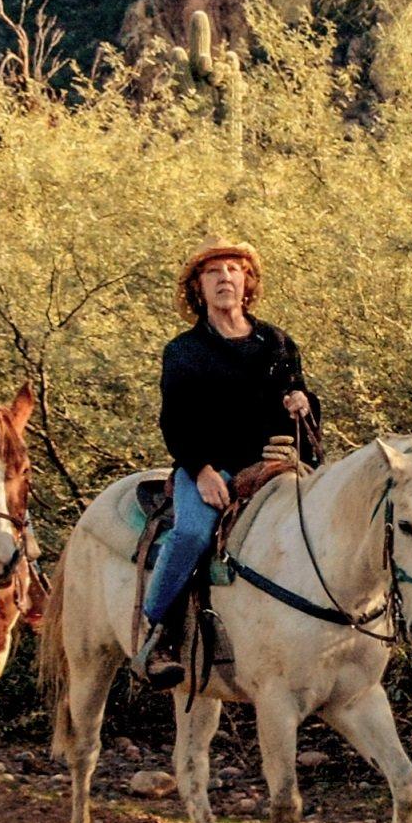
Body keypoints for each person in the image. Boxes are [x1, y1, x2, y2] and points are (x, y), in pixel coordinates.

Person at [139, 241, 320, 678]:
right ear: (198, 289)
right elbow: (175, 421)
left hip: (270, 464)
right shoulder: (184, 350)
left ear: (247, 283)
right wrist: (199, 470)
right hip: (210, 467)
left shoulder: (275, 341)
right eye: (213, 272)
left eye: (234, 270)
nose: (225, 278)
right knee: (191, 534)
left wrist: (303, 403)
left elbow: (298, 403)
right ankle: (159, 632)